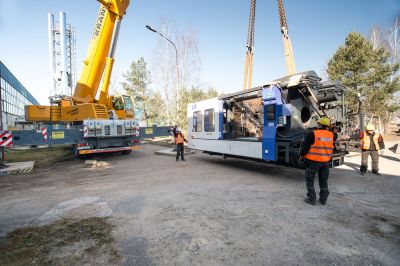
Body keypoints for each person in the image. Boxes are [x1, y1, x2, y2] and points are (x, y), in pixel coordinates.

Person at [299, 117, 334, 205]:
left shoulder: (313, 134)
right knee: (323, 181)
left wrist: (301, 156)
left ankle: (311, 199)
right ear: (327, 126)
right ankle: (323, 199)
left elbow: (305, 147)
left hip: (313, 162)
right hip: (325, 162)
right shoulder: (331, 135)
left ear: (319, 124)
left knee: (310, 180)